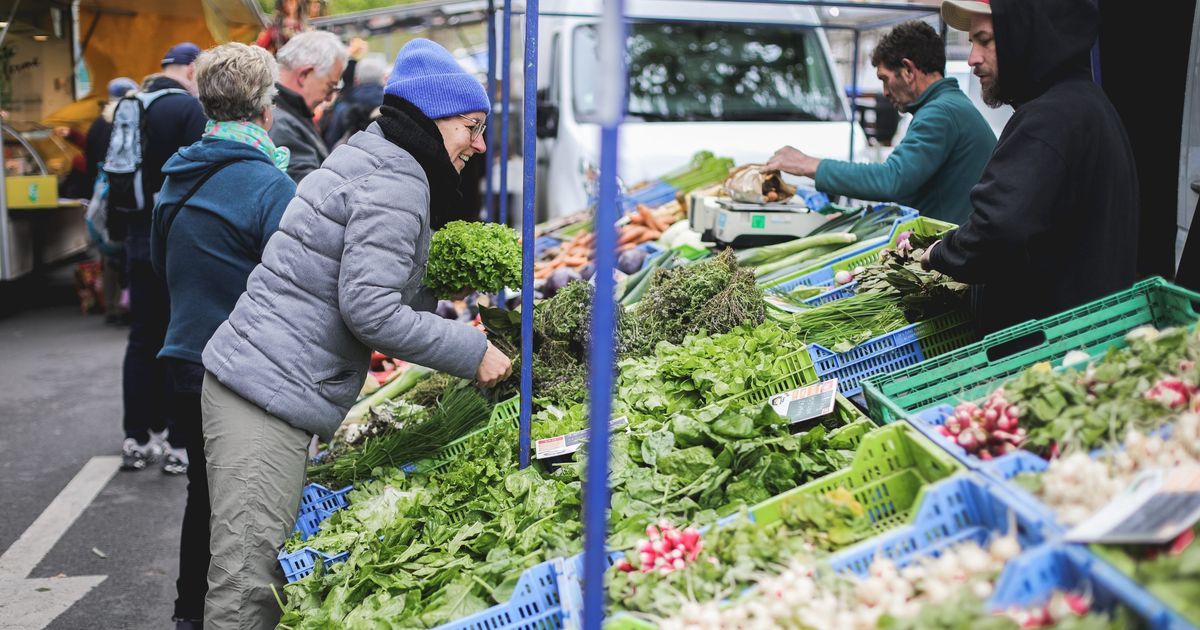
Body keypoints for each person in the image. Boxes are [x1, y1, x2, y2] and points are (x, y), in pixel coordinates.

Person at [198, 38, 511, 628]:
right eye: (472, 126)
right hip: (264, 396)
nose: (480, 143)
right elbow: (371, 310)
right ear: (432, 117)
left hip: (265, 382)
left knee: (252, 576)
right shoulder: (397, 180)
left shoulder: (374, 154)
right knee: (246, 590)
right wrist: (474, 352)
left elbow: (365, 270)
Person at [150, 43, 296, 630]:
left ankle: (188, 617)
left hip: (183, 357)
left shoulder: (178, 174)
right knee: (241, 513)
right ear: (266, 108)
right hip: (239, 370)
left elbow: (163, 267)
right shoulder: (269, 186)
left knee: (203, 498)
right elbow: (294, 288)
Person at [922, 0, 1138, 332]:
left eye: (985, 40)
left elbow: (996, 232)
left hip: (1050, 352)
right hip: (1075, 342)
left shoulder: (1050, 119)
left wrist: (939, 254)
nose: (972, 59)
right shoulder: (1086, 106)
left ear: (1027, 37)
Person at [766, 21, 996, 225]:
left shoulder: (941, 112)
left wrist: (808, 164)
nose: (884, 92)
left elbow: (891, 179)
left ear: (908, 70)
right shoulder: (949, 106)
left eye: (885, 79)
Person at [115, 43, 208, 473]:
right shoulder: (188, 110)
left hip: (135, 237)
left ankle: (136, 434)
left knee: (141, 336)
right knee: (176, 335)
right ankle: (177, 440)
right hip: (172, 238)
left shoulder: (129, 104)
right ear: (191, 69)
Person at [269, 30, 347, 183]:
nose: (329, 97)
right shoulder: (280, 123)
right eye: (329, 86)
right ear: (304, 74)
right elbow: (313, 190)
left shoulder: (282, 113)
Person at [323, 52, 386, 148]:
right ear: (383, 79)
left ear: (356, 79)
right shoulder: (389, 107)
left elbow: (331, 141)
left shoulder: (343, 107)